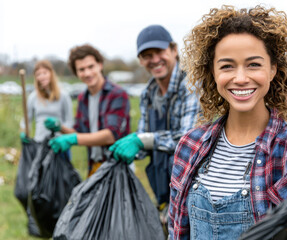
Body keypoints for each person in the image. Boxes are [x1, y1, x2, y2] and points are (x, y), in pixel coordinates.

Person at [168, 5, 287, 239]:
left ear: (272, 69)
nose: (240, 78)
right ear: (213, 73)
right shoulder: (189, 145)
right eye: (227, 66)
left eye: (253, 64)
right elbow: (176, 229)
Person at [109, 25, 200, 218]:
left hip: (192, 191)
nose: (155, 60)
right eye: (147, 55)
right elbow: (143, 141)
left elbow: (190, 141)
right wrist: (127, 148)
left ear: (174, 50)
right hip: (162, 187)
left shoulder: (190, 86)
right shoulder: (148, 94)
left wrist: (144, 140)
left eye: (159, 52)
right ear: (141, 61)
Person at [47, 44, 130, 177]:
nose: (87, 73)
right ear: (76, 73)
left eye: (91, 67)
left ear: (100, 65)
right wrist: (60, 128)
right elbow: (79, 132)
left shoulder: (117, 94)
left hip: (118, 168)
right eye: (81, 69)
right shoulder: (82, 98)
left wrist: (73, 139)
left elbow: (111, 135)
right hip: (94, 166)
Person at [20, 60, 73, 146]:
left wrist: (61, 128)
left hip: (59, 144)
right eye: (38, 74)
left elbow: (69, 121)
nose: (42, 76)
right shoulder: (33, 97)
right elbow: (26, 119)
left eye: (44, 73)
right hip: (39, 143)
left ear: (51, 73)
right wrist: (24, 131)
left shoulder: (63, 96)